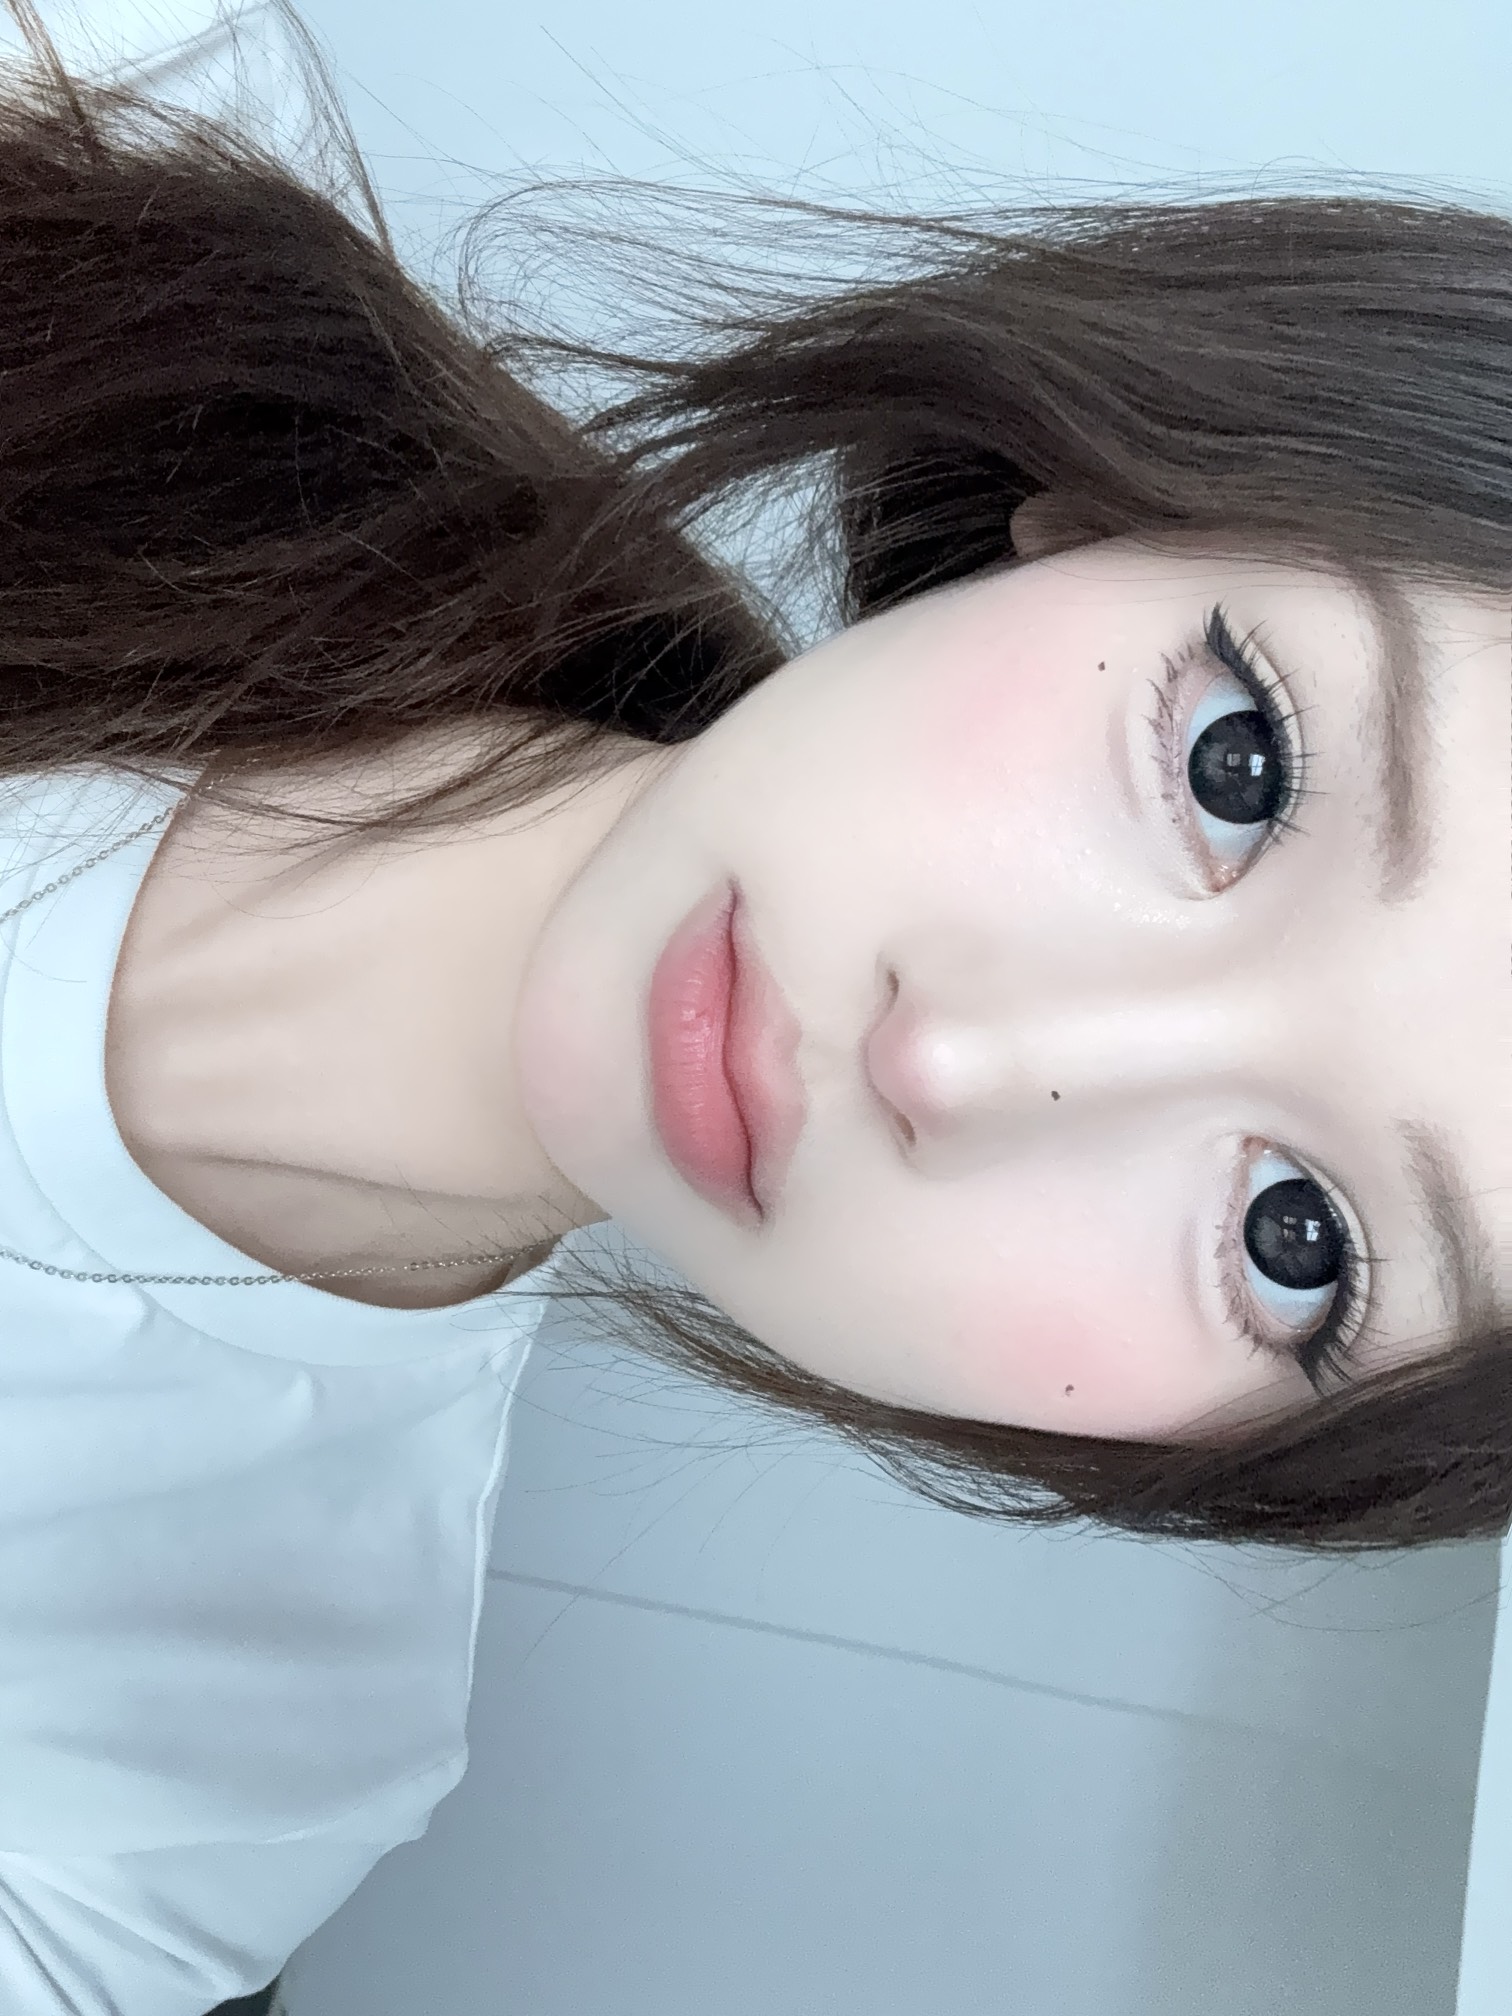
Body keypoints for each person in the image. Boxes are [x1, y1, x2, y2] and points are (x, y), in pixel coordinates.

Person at [0, 3, 1505, 2010]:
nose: (956, 1059)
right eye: (1241, 769)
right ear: (1106, 508)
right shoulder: (100, 111)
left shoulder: (174, 1810)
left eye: (1293, 1242)